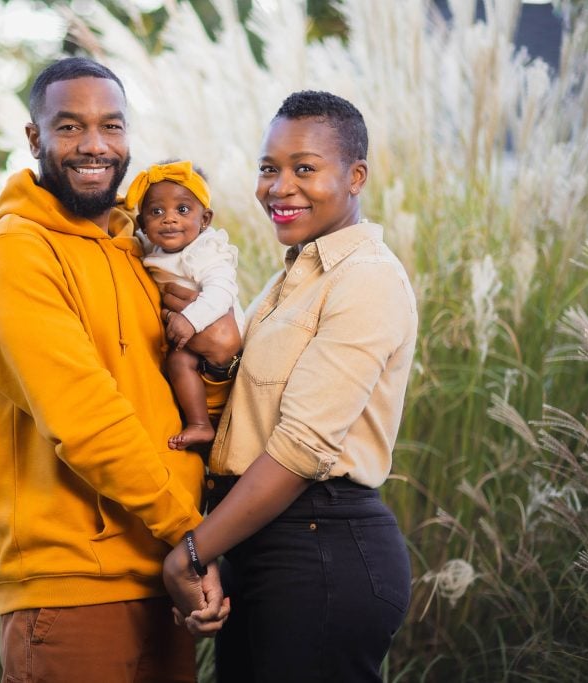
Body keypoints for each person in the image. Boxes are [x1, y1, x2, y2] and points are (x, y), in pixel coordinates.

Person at [0, 57, 237, 683]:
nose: (95, 145)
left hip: (166, 582)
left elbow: (179, 400)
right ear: (35, 139)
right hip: (72, 591)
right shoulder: (17, 255)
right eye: (70, 127)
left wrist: (219, 365)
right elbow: (85, 420)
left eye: (112, 126)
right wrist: (194, 537)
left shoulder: (139, 256)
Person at [162, 90, 418, 682]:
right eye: (268, 168)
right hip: (263, 545)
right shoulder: (287, 283)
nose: (279, 187)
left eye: (305, 168)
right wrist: (220, 357)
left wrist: (193, 552)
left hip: (322, 551)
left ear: (355, 177)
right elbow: (250, 415)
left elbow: (302, 447)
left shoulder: (366, 280)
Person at [124, 160, 244, 450]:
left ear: (205, 219)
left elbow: (222, 291)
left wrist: (191, 320)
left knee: (179, 362)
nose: (169, 219)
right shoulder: (153, 247)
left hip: (214, 325)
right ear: (142, 224)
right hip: (185, 334)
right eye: (156, 211)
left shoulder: (205, 252)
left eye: (182, 210)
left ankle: (201, 425)